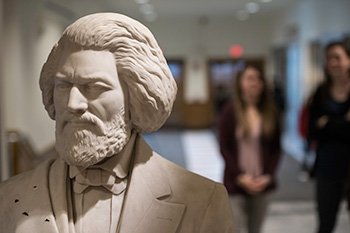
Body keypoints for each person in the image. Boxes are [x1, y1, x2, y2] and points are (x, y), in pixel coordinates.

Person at [0, 13, 234, 233]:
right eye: (63, 85)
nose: (73, 104)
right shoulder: (10, 196)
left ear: (137, 97)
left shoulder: (204, 201)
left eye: (93, 87)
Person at [219, 65, 281, 233]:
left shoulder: (270, 111)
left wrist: (268, 176)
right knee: (236, 227)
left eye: (258, 79)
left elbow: (276, 148)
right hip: (236, 181)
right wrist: (240, 176)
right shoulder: (230, 111)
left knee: (256, 229)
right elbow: (225, 148)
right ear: (240, 83)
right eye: (250, 78)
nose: (255, 83)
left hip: (263, 182)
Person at [307, 41, 350, 233]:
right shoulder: (321, 92)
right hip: (327, 167)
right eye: (329, 58)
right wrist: (344, 122)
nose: (333, 63)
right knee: (325, 223)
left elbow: (321, 127)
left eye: (337, 57)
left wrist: (328, 123)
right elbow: (312, 131)